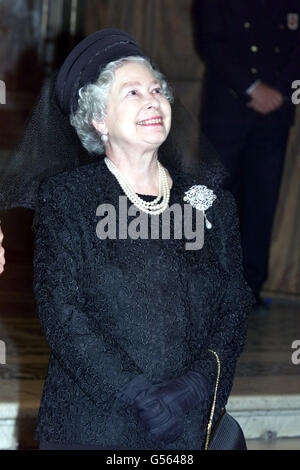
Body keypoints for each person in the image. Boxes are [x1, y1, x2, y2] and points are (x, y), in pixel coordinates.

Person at [3, 29, 255, 450]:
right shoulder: (68, 199)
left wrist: (194, 387)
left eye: (156, 90)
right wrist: (137, 395)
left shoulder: (211, 203)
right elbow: (62, 311)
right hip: (93, 427)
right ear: (99, 119)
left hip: (186, 428)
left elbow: (234, 306)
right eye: (133, 93)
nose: (153, 100)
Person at [192, 0, 300, 312]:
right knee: (215, 201)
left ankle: (250, 287)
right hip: (227, 110)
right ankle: (210, 287)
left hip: (275, 113)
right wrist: (253, 88)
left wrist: (278, 91)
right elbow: (211, 45)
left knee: (262, 203)